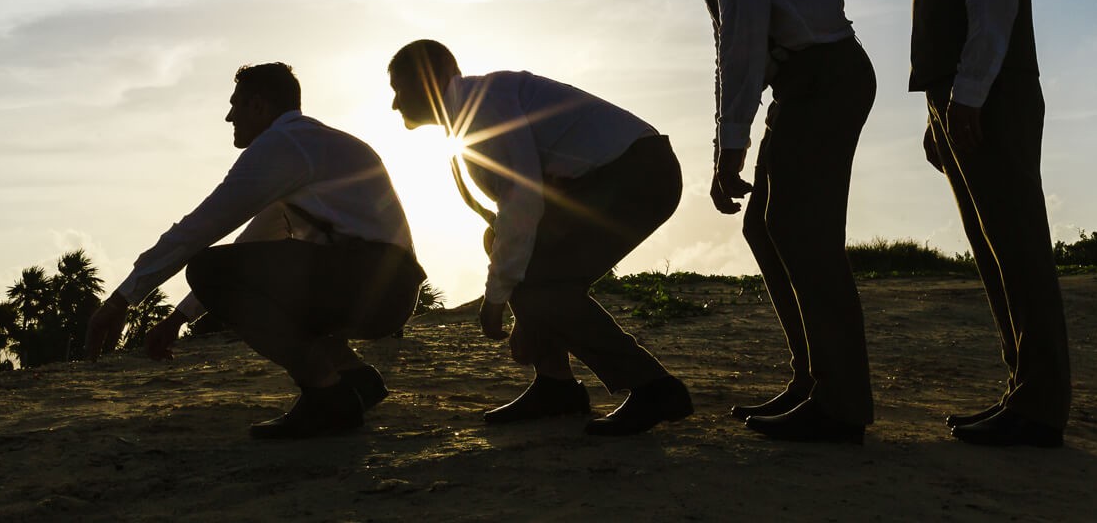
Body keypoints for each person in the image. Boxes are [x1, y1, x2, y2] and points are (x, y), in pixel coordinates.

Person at [639, 0, 875, 444]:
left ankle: (840, 402)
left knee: (801, 232)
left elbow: (741, 44)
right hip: (803, 81)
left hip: (826, 76)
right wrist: (728, 142)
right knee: (766, 230)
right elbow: (734, 51)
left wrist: (731, 145)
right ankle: (814, 381)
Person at [84, 62, 425, 440]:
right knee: (241, 273)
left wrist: (121, 301)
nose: (229, 115)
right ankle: (354, 377)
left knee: (207, 267)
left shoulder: (283, 145)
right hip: (388, 289)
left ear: (259, 106)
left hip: (371, 282)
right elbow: (250, 246)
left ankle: (326, 395)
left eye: (236, 105)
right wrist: (179, 318)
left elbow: (202, 227)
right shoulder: (311, 152)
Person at [387, 39, 692, 437]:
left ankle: (653, 387)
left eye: (399, 88)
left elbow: (522, 204)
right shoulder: (476, 109)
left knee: (540, 286)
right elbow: (518, 214)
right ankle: (555, 385)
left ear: (433, 79)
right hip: (627, 174)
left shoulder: (481, 108)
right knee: (509, 254)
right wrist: (524, 311)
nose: (394, 104)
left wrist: (498, 300)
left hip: (635, 174)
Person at [909, 0, 1071, 448]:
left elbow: (993, 3)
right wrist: (938, 113)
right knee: (992, 248)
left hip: (992, 97)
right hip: (961, 99)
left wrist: (969, 96)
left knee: (1019, 247)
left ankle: (1039, 406)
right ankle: (1023, 395)